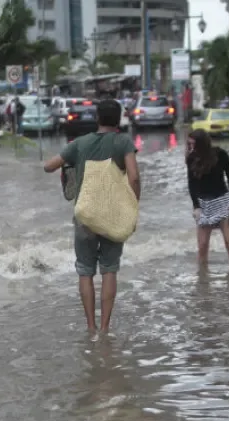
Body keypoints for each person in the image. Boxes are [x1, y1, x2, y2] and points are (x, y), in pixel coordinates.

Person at [42, 100, 141, 335]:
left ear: (97, 118)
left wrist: (71, 162)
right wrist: (133, 205)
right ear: (118, 120)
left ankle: (90, 326)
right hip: (112, 216)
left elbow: (49, 166)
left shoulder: (80, 143)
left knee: (85, 270)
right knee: (109, 269)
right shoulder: (123, 142)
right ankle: (105, 328)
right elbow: (134, 177)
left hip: (85, 215)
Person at [186, 129, 229, 269]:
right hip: (204, 204)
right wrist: (196, 206)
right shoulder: (191, 158)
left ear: (202, 144)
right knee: (203, 246)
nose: (191, 147)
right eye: (189, 144)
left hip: (222, 200)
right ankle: (203, 283)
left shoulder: (220, 154)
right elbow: (191, 184)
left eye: (193, 144)